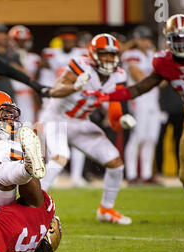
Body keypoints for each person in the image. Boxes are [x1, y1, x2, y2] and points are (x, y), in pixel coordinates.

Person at [88, 14, 184, 224]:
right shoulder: (164, 62)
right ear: (169, 41)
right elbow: (140, 87)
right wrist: (108, 95)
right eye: (176, 38)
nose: (181, 43)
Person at [42, 33, 136, 225]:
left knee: (116, 163)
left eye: (112, 55)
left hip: (80, 121)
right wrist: (75, 86)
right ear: (93, 54)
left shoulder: (118, 75)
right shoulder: (80, 65)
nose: (109, 59)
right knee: (60, 157)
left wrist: (123, 119)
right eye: (104, 54)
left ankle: (106, 209)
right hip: (55, 118)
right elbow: (54, 91)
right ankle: (32, 207)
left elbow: (116, 112)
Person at [37, 27, 89, 188]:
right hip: (55, 102)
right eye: (64, 39)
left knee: (78, 140)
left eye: (70, 39)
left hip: (74, 103)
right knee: (48, 140)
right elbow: (42, 73)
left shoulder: (82, 55)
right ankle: (52, 174)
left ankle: (76, 176)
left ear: (75, 41)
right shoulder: (50, 54)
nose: (67, 42)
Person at [121, 26, 162, 184]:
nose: (145, 42)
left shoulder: (153, 54)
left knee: (151, 138)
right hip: (138, 99)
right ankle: (131, 175)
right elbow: (139, 78)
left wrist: (154, 78)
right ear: (136, 39)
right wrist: (156, 78)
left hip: (153, 100)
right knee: (137, 136)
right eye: (142, 39)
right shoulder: (131, 55)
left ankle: (146, 174)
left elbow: (164, 80)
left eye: (147, 39)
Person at [8, 25, 41, 125]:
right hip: (10, 95)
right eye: (18, 41)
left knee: (28, 126)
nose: (21, 44)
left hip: (28, 96)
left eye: (23, 41)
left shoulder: (35, 58)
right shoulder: (6, 57)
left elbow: (37, 79)